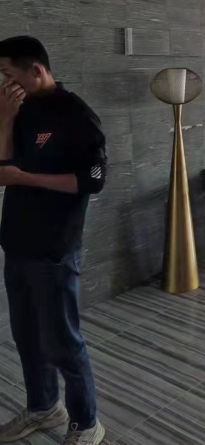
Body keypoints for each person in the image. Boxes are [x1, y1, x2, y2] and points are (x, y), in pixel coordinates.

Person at [0, 36, 106, 445]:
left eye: (8, 75)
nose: (5, 84)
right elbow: (3, 168)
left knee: (62, 341)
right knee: (27, 336)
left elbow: (94, 179)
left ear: (36, 70)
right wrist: (5, 119)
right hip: (16, 243)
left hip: (54, 248)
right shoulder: (20, 110)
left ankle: (87, 423)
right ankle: (44, 407)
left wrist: (25, 178)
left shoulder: (75, 114)